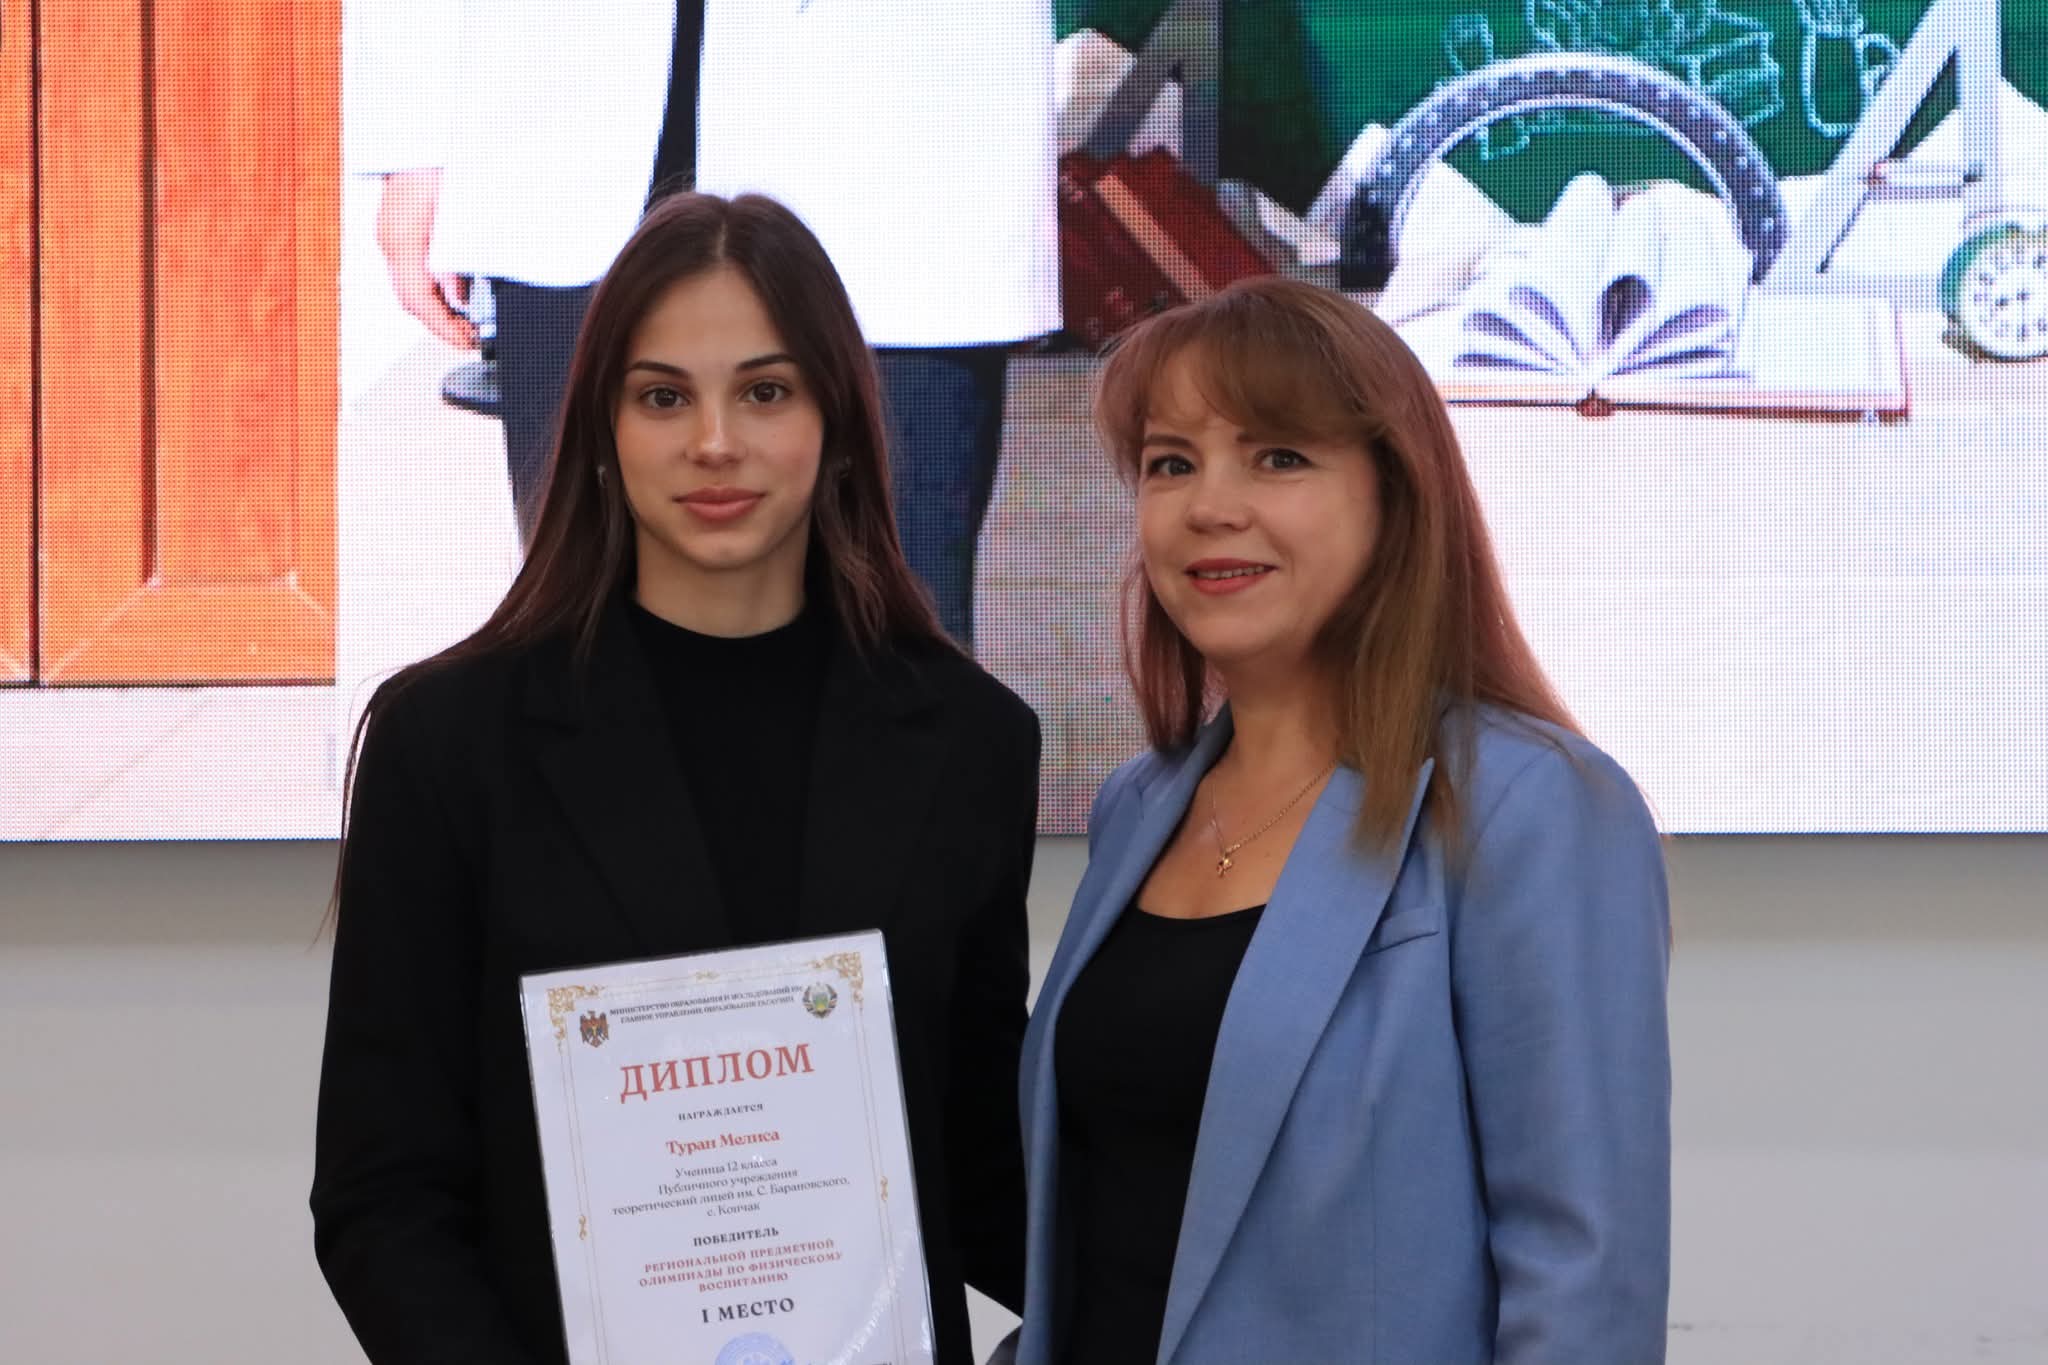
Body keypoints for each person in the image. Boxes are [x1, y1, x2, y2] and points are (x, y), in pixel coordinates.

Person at [312, 192, 1040, 1365]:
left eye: (765, 392)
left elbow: (981, 1164)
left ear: (836, 422)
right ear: (601, 429)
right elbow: (384, 1194)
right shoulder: (446, 742)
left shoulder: (970, 740)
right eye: (662, 397)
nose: (714, 442)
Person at [1014, 277, 1672, 1363]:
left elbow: (1583, 1283)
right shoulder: (1136, 806)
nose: (1209, 505)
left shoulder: (1531, 805)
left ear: (1394, 496)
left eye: (1277, 456)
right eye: (1171, 463)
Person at [354, 0, 1059, 646]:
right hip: (570, 109)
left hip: (902, 116)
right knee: (585, 615)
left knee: (897, 607)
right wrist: (412, 146)